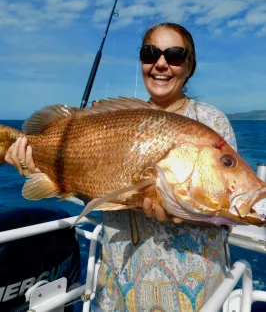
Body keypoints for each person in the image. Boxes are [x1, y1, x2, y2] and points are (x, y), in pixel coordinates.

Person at [5, 22, 237, 312]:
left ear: (190, 66)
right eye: (150, 54)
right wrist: (34, 166)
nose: (161, 64)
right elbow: (89, 188)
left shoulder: (212, 123)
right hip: (122, 283)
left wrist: (183, 213)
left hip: (192, 290)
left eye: (175, 56)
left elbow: (230, 207)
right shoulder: (117, 117)